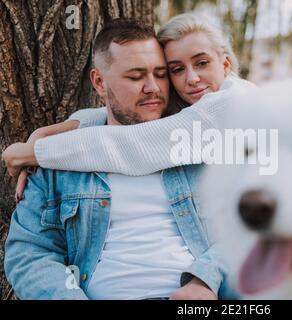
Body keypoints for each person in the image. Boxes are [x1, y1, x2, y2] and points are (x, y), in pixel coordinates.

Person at [4, 18, 230, 300]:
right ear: (99, 82)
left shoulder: (203, 144)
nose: (153, 88)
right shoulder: (59, 162)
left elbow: (247, 233)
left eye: (161, 74)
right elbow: (29, 254)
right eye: (136, 76)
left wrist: (205, 280)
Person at [1, 13, 256, 185]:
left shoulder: (236, 103)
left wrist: (31, 153)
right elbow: (113, 118)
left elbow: (134, 145)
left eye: (202, 63)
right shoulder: (199, 107)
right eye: (176, 69)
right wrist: (51, 131)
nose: (191, 79)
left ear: (225, 64)